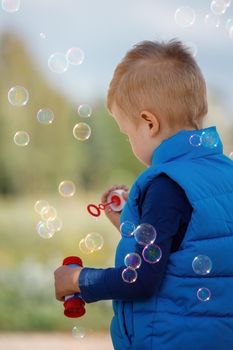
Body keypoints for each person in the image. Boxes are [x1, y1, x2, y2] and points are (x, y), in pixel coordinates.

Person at [54, 39, 233, 350]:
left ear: (149, 123)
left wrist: (78, 280)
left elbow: (139, 279)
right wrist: (128, 222)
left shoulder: (166, 185)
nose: (129, 141)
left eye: (127, 132)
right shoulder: (224, 173)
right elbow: (185, 243)